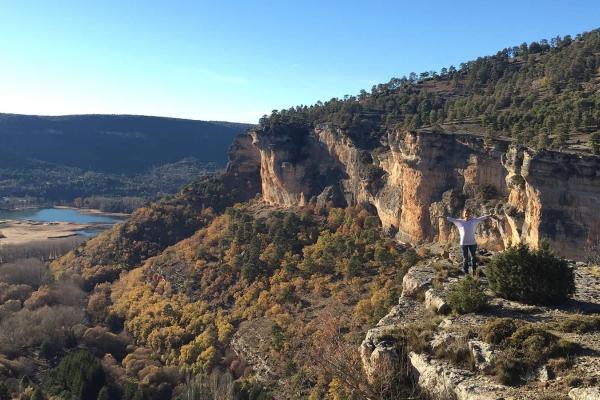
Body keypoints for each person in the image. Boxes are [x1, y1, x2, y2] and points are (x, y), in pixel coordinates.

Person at [441, 209, 490, 275]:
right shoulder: (459, 221)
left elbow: (482, 218)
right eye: (465, 213)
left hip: (472, 243)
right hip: (463, 243)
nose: (466, 214)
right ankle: (466, 272)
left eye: (468, 213)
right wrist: (442, 216)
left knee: (473, 258)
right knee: (465, 259)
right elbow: (450, 219)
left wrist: (490, 215)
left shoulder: (474, 220)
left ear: (470, 214)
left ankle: (474, 271)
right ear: (463, 214)